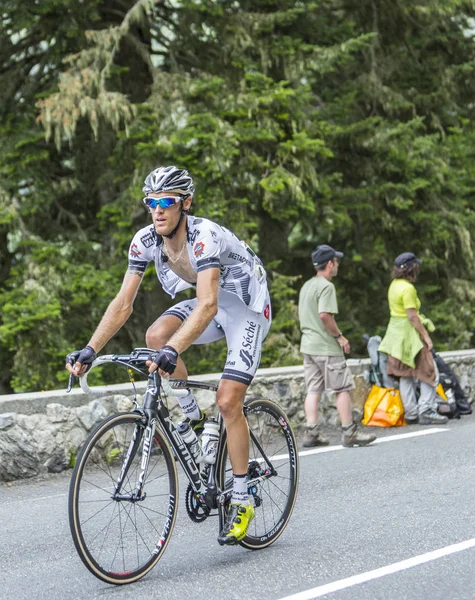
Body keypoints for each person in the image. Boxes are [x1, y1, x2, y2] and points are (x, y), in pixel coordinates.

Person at [65, 165, 272, 545]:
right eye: (151, 203)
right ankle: (195, 421)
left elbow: (207, 305)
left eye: (166, 202)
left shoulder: (204, 237)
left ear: (185, 203)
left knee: (228, 401)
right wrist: (91, 348)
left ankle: (242, 497)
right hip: (212, 302)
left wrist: (174, 350)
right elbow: (123, 303)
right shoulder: (145, 240)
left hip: (245, 306)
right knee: (155, 335)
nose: (157, 210)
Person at [298, 245, 377, 448]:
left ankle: (311, 432)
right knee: (342, 388)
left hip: (308, 346)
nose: (338, 266)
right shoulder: (326, 286)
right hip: (325, 347)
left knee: (313, 390)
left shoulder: (307, 286)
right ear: (330, 264)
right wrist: (340, 337)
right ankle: (349, 433)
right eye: (337, 262)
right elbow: (325, 315)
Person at [378, 252, 448, 425]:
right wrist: (426, 337)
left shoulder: (394, 285)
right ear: (411, 268)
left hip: (395, 335)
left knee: (405, 374)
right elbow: (412, 316)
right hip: (410, 336)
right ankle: (427, 409)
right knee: (430, 371)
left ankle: (411, 413)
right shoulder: (408, 289)